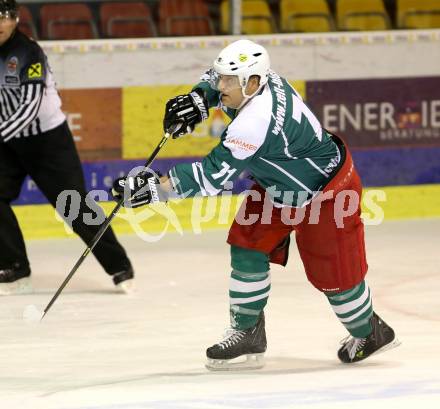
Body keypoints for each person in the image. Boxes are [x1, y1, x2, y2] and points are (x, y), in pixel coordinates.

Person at [112, 39, 400, 370]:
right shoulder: (261, 78)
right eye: (222, 79)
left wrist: (153, 189)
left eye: (228, 82)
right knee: (247, 246)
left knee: (336, 281)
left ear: (252, 83)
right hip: (277, 185)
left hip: (327, 193)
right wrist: (197, 100)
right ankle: (247, 332)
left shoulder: (256, 121)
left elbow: (210, 177)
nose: (221, 87)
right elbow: (213, 78)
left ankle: (371, 332)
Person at [0, 0, 134, 295]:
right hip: (8, 144)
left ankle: (119, 267)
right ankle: (15, 269)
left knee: (73, 206)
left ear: (15, 20)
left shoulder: (28, 52)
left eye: (5, 18)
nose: (0, 24)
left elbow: (30, 108)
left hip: (46, 142)